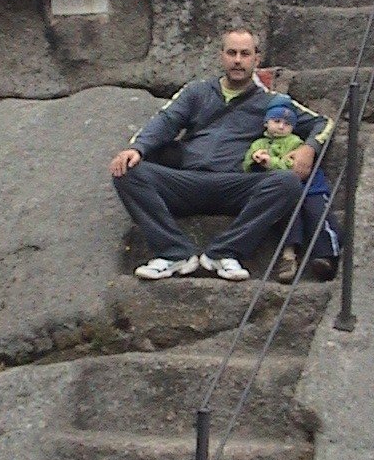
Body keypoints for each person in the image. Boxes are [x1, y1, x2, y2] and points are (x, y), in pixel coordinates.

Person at [109, 28, 334, 281]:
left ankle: (225, 252)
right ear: (221, 56)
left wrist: (309, 147)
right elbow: (165, 121)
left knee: (287, 182)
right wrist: (136, 148)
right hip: (186, 181)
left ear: (256, 60)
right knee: (126, 171)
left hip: (236, 185)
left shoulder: (272, 101)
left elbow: (323, 123)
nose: (238, 60)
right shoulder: (196, 92)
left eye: (245, 54)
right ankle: (174, 253)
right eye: (232, 53)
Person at [243, 94, 341, 283]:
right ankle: (289, 257)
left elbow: (292, 168)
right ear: (266, 123)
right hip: (285, 191)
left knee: (317, 214)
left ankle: (327, 256)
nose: (281, 126)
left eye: (286, 124)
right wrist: (254, 159)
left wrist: (270, 162)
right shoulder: (259, 144)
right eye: (276, 121)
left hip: (311, 187)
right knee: (289, 215)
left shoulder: (295, 143)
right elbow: (247, 163)